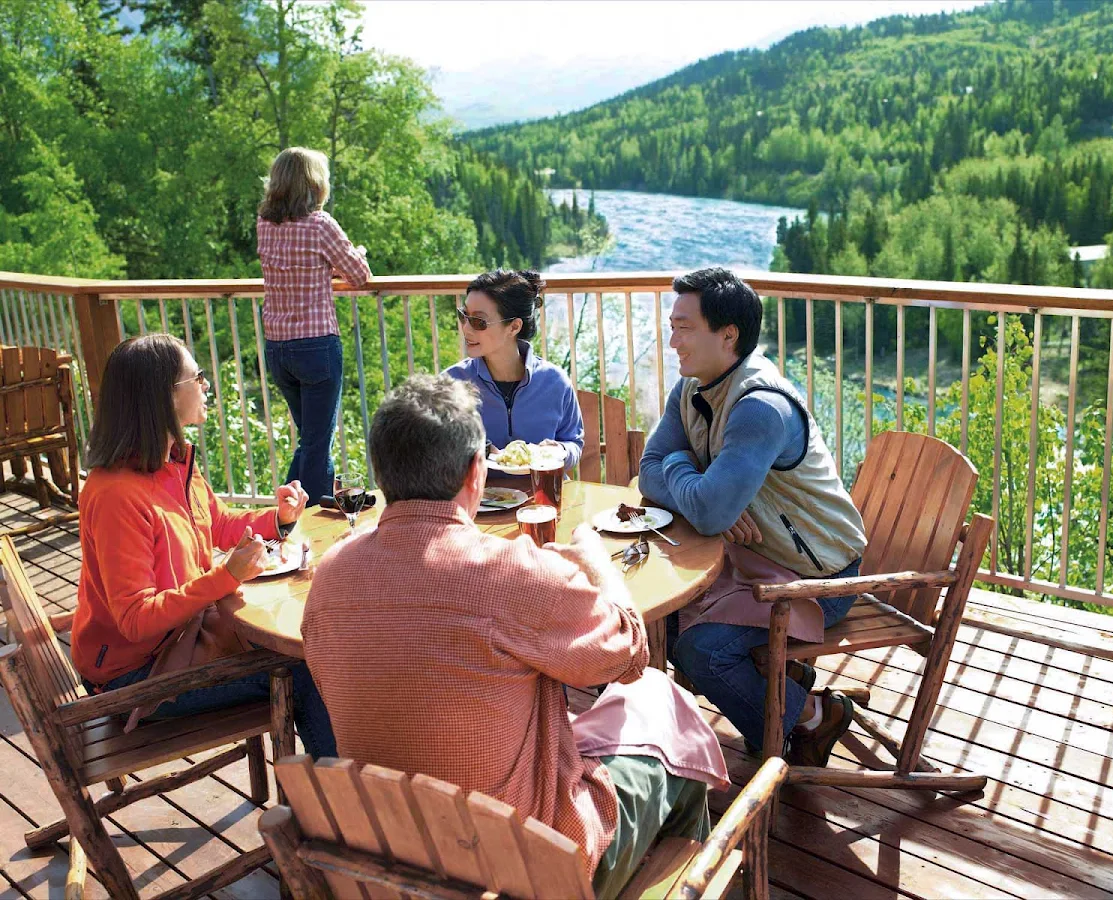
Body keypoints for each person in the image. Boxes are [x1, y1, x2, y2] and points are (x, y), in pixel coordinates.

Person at [303, 375, 726, 898]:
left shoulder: (332, 575)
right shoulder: (510, 575)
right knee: (671, 732)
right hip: (527, 872)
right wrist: (598, 567)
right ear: (475, 473)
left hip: (390, 860)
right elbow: (630, 655)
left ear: (382, 472)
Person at [638, 267, 868, 767]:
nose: (672, 339)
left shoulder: (760, 407)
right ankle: (782, 695)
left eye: (683, 327)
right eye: (671, 325)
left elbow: (704, 505)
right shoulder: (694, 388)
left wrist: (693, 481)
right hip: (756, 563)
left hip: (817, 578)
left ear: (728, 335)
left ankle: (809, 715)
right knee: (657, 622)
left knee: (702, 651)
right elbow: (647, 473)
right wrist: (700, 492)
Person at [72, 334, 336, 758]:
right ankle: (338, 812)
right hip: (136, 675)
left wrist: (277, 519)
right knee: (304, 668)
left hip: (188, 637)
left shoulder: (171, 461)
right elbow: (136, 619)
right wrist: (226, 576)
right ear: (165, 396)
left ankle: (340, 790)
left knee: (314, 645)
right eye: (197, 377)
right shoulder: (116, 496)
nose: (206, 385)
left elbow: (217, 522)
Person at [257, 146, 371, 504]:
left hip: (277, 346)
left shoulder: (265, 224)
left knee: (311, 439)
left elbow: (296, 265)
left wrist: (327, 266)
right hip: (316, 345)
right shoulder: (320, 225)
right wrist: (357, 254)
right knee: (318, 442)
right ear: (314, 183)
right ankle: (308, 521)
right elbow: (360, 276)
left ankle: (285, 515)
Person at [443, 269, 583, 469]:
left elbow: (573, 443)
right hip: (478, 498)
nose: (466, 328)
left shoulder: (555, 382)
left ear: (514, 327)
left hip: (543, 496)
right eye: (464, 315)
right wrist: (477, 450)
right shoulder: (451, 383)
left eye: (478, 321)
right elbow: (434, 449)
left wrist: (561, 451)